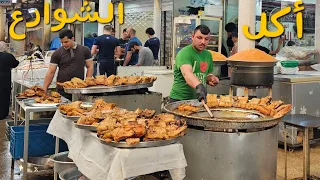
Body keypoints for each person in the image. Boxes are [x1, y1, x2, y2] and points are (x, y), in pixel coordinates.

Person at [169, 25, 220, 103]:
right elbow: (187, 74)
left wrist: (211, 78)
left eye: (206, 39)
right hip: (179, 100)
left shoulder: (208, 55)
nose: (203, 42)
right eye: (199, 38)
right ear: (192, 37)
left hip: (198, 100)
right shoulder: (185, 53)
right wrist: (199, 86)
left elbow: (206, 75)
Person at [43, 29, 93, 100]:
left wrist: (87, 82)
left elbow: (90, 66)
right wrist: (44, 88)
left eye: (66, 42)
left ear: (72, 38)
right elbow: (51, 72)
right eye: (62, 42)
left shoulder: (85, 50)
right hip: (62, 89)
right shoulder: (57, 53)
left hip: (78, 88)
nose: (64, 44)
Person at [0, 41, 19, 119]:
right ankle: (3, 115)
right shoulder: (9, 56)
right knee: (5, 97)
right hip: (5, 81)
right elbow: (16, 63)